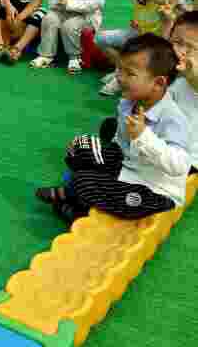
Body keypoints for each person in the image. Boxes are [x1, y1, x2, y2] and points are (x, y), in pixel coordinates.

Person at [36, 34, 189, 222]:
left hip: (153, 190)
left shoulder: (173, 119)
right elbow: (120, 144)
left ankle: (76, 204)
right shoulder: (129, 103)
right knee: (80, 149)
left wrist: (143, 137)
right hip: (126, 167)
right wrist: (100, 154)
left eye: (130, 74)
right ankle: (82, 200)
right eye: (120, 69)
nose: (120, 77)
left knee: (84, 183)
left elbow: (179, 166)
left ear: (158, 83)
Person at [168, 11, 198, 176]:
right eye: (177, 42)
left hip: (187, 164)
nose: (181, 51)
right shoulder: (172, 75)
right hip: (156, 150)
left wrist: (193, 78)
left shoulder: (191, 77)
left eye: (191, 47)